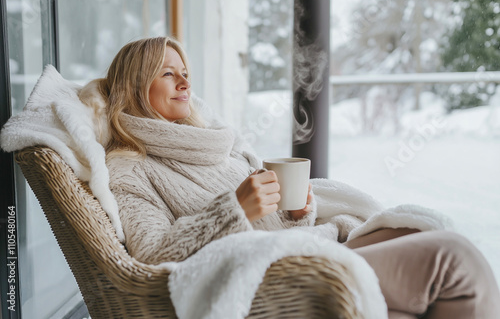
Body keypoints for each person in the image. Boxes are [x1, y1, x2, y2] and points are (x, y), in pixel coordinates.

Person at [92, 36, 500, 318]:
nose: (185, 83)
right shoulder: (131, 166)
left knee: (418, 233)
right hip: (271, 275)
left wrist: (296, 211)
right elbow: (150, 254)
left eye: (185, 72)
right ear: (134, 85)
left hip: (298, 243)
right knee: (452, 258)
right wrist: (234, 209)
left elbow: (269, 216)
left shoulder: (213, 143)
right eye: (167, 74)